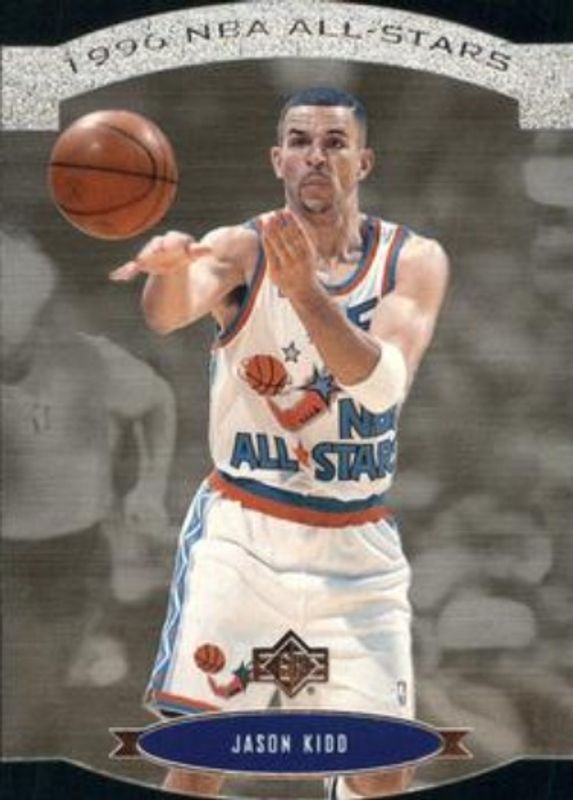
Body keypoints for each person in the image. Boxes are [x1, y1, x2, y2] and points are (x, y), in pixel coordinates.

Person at [111, 87, 449, 798]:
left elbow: (380, 387)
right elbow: (168, 314)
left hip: (356, 544)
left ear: (363, 161)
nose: (315, 155)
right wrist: (167, 273)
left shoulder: (414, 259)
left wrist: (305, 295)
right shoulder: (242, 247)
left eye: (334, 142)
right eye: (299, 141)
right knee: (200, 756)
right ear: (277, 159)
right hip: (246, 534)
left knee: (382, 770)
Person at [2, 223, 176, 753]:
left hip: (70, 555)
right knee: (23, 693)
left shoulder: (89, 362)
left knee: (33, 695)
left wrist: (149, 487)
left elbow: (157, 401)